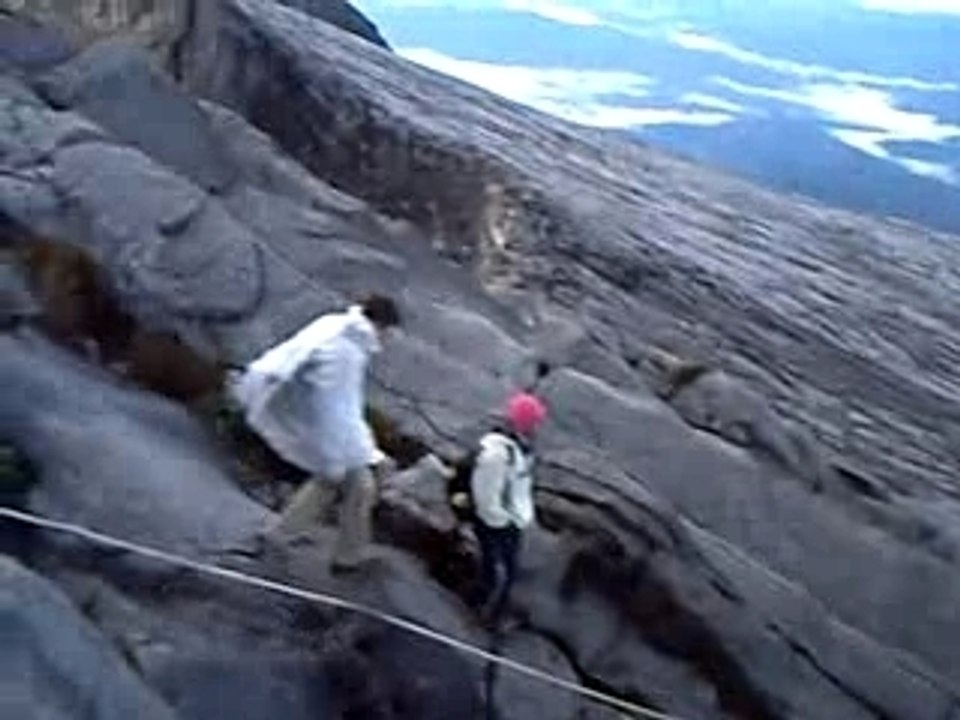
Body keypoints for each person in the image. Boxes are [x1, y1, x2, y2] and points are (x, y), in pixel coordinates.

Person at [230, 294, 401, 571]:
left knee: (345, 483)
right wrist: (368, 455)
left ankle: (284, 536)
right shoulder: (346, 352)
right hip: (317, 426)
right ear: (382, 326)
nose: (388, 340)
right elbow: (338, 409)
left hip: (300, 411)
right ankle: (345, 559)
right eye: (390, 333)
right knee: (355, 485)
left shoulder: (335, 326)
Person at [453, 392, 547, 622]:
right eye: (535, 421)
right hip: (497, 524)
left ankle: (487, 610)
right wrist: (504, 522)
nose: (538, 427)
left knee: (506, 571)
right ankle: (482, 617)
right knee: (498, 573)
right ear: (524, 423)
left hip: (511, 519)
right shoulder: (497, 455)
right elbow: (487, 499)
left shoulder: (519, 449)